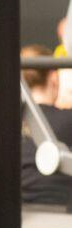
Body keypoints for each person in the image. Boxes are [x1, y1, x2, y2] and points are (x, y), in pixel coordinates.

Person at [21, 44, 72, 205]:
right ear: (53, 77)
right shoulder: (68, 120)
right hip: (64, 220)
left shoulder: (4, 126)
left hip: (20, 218)